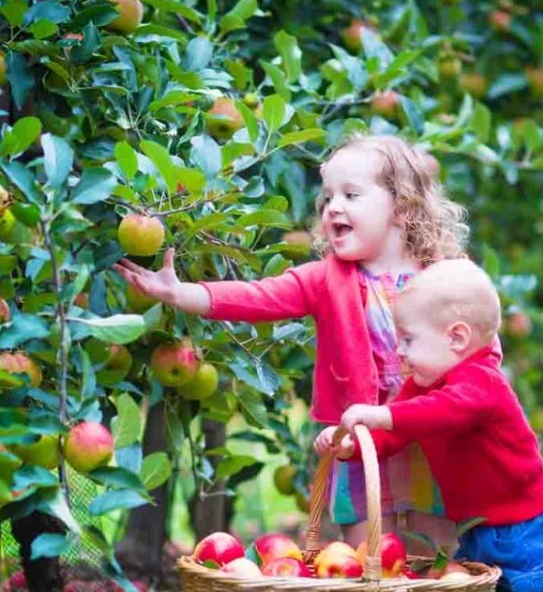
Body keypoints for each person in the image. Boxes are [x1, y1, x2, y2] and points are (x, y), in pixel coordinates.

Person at [116, 135, 477, 549]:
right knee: (368, 560)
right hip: (362, 443)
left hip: (432, 437)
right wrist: (181, 294)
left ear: (402, 205)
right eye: (327, 198)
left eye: (351, 194)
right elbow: (258, 296)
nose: (333, 206)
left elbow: (483, 345)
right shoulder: (328, 279)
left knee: (435, 555)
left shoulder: (447, 276)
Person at [314, 259, 543, 592]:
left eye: (409, 340)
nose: (398, 351)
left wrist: (379, 415)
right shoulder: (422, 383)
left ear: (456, 338)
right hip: (477, 527)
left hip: (529, 524)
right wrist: (351, 448)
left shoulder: (481, 384)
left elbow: (441, 413)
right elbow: (399, 431)